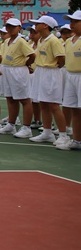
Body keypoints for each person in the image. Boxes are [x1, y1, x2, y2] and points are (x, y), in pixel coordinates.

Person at [30, 15, 67, 144]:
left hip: (51, 72)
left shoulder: (53, 41)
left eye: (38, 23)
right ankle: (47, 133)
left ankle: (63, 135)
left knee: (53, 105)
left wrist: (54, 68)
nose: (35, 26)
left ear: (46, 26)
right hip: (41, 71)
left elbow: (61, 59)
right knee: (43, 103)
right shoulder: (41, 40)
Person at [56, 10, 81, 150]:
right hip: (71, 75)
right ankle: (77, 141)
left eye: (76, 21)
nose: (72, 24)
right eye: (71, 21)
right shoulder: (69, 41)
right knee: (75, 109)